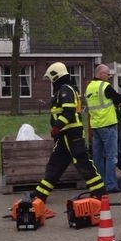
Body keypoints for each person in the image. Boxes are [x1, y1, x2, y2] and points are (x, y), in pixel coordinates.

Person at [32, 62, 106, 205]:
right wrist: (58, 130)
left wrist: (57, 127)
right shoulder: (64, 89)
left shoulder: (65, 89)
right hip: (64, 136)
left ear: (56, 76)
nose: (51, 82)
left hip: (71, 135)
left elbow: (69, 112)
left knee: (83, 163)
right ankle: (39, 195)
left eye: (51, 79)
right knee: (55, 165)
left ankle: (100, 193)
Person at [85, 64, 121, 194]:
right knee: (111, 157)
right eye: (108, 74)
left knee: (97, 158)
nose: (109, 76)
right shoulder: (105, 86)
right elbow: (118, 98)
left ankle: (100, 184)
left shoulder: (89, 87)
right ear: (101, 74)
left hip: (95, 126)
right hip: (108, 125)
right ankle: (111, 185)